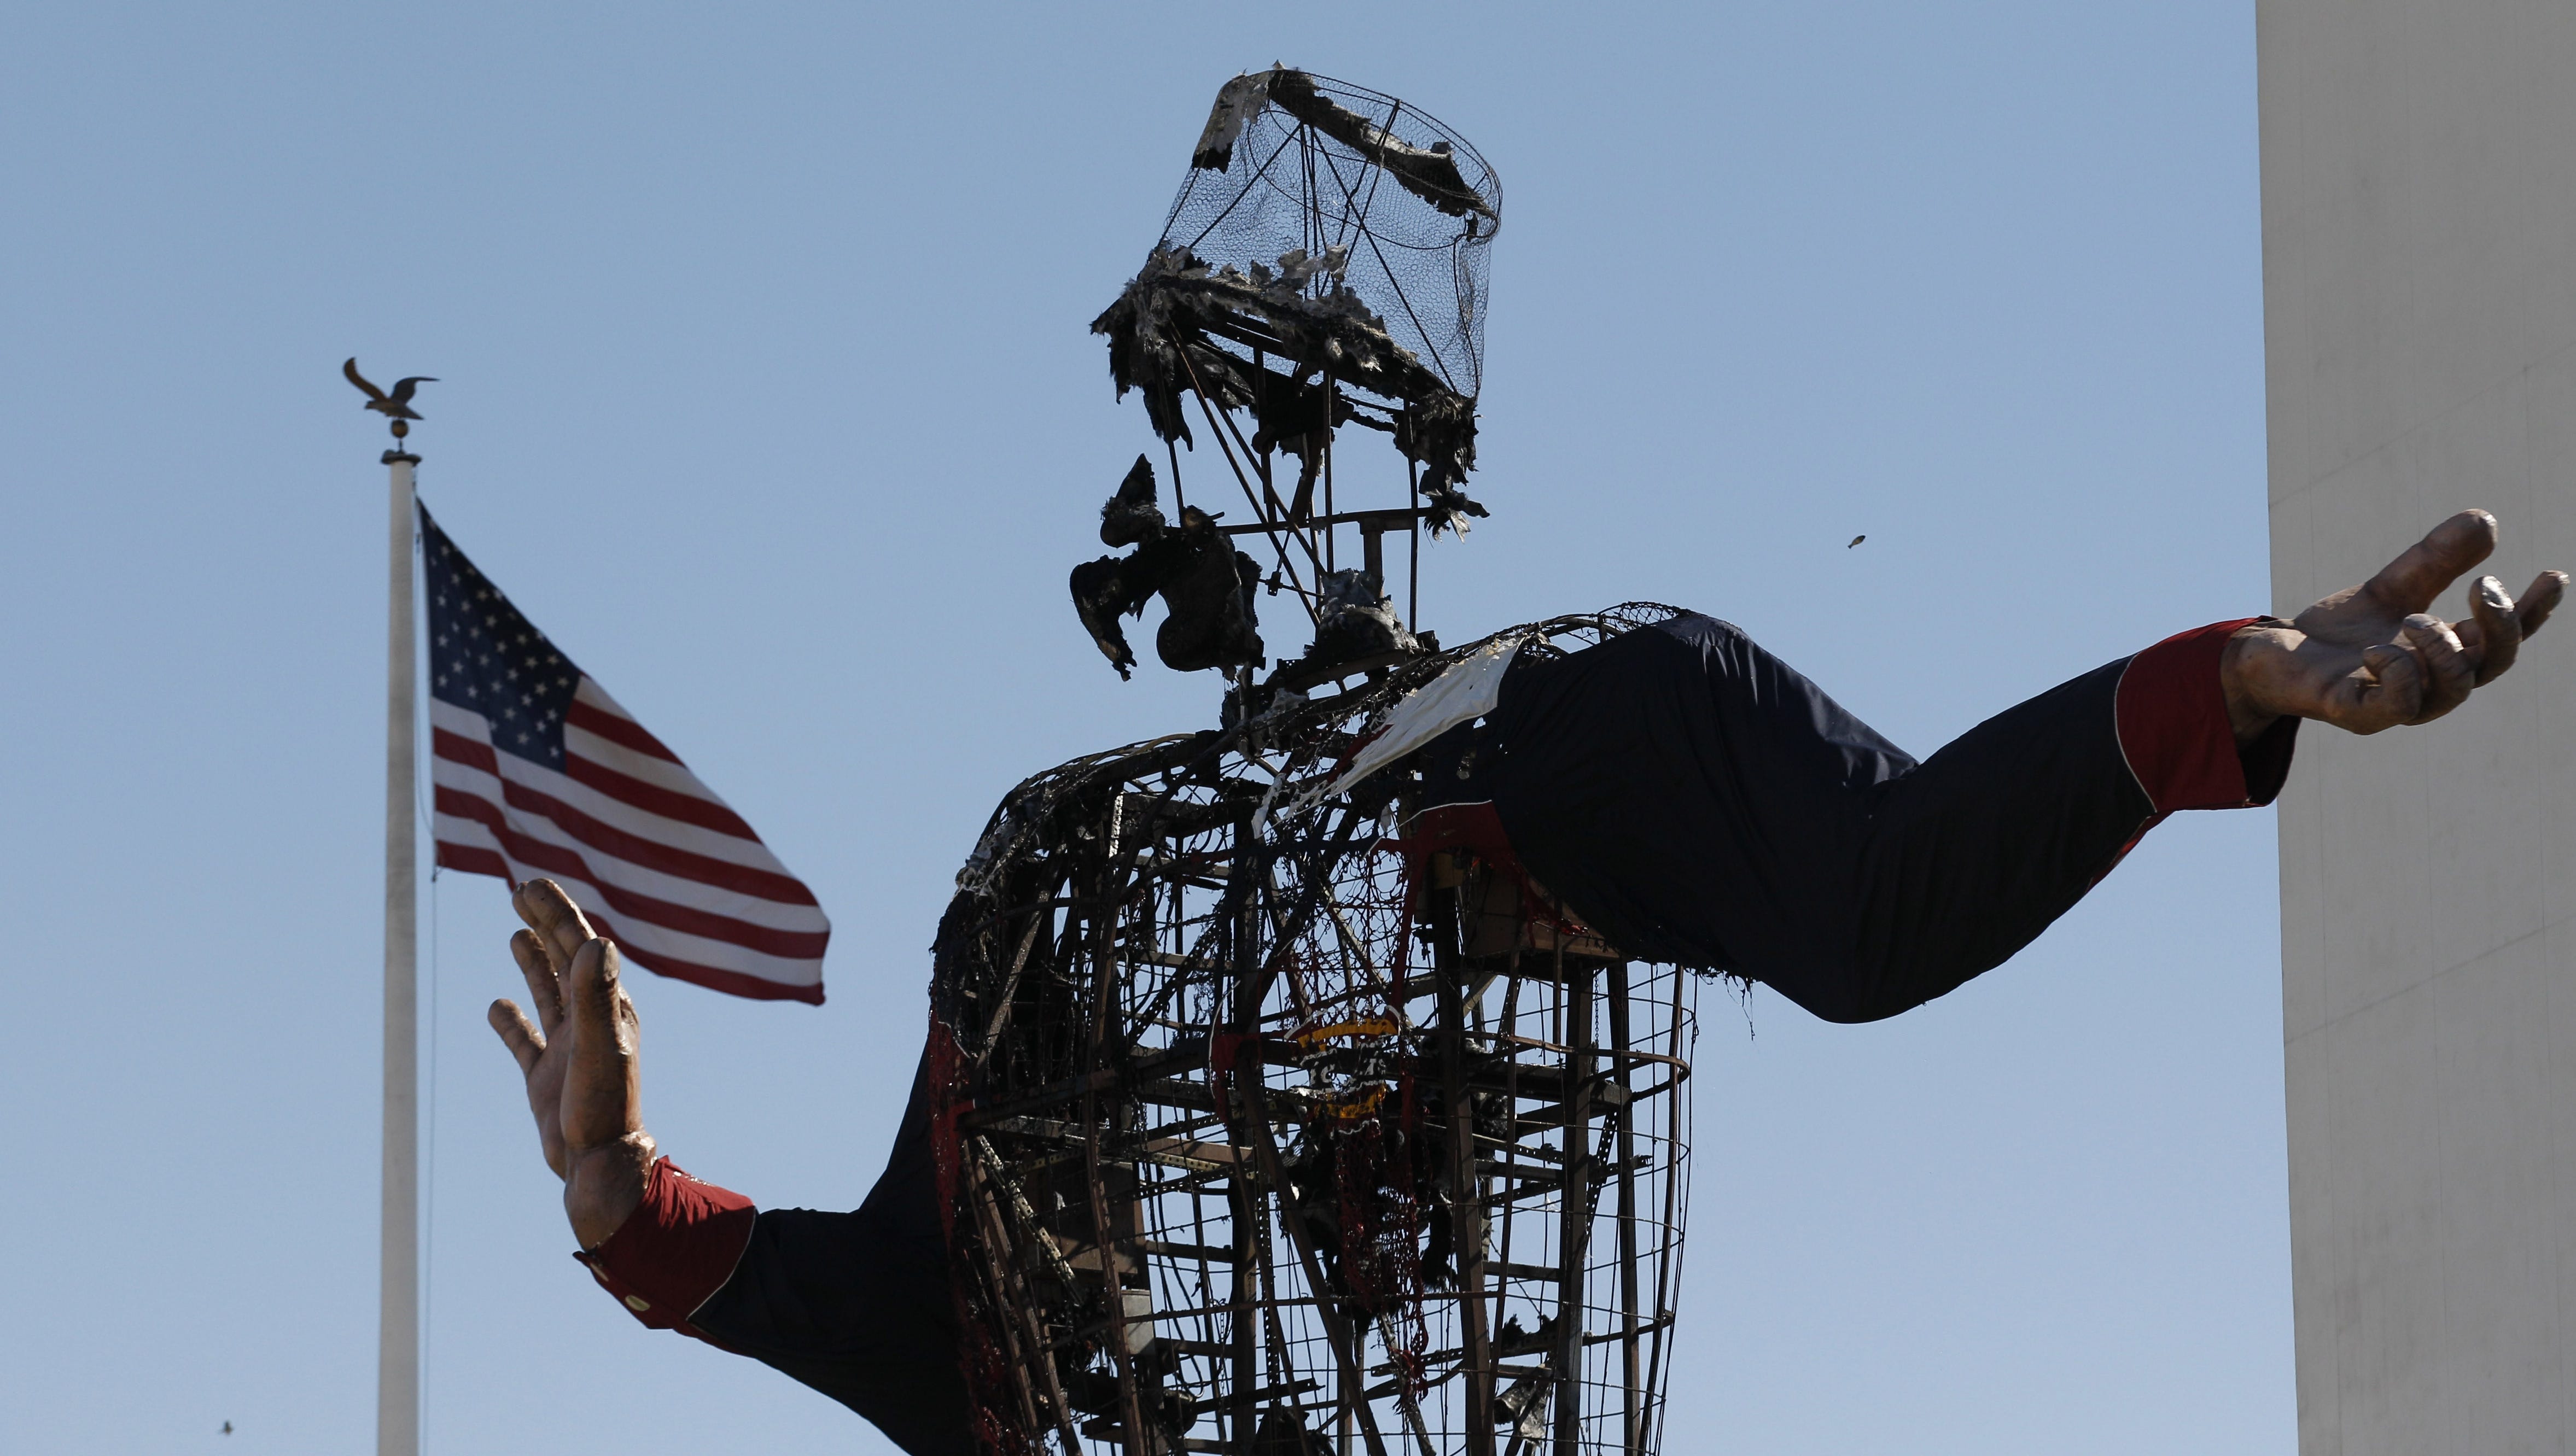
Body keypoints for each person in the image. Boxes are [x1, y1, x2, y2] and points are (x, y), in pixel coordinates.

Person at [488, 511, 2561, 1456]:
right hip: (1522, 824)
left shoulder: (978, 1339)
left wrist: (611, 1172)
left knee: (1856, 931)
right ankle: (2232, 687)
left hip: (1521, 777)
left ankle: (2231, 681)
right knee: (1853, 926)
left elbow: (733, 1275)